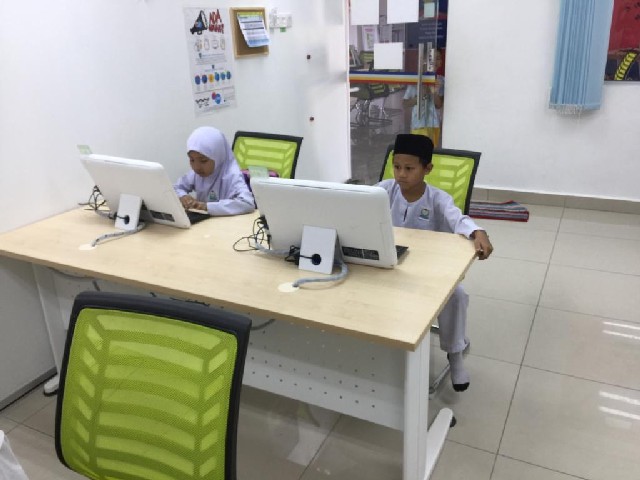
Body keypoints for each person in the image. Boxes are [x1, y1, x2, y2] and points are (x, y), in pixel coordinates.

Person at [376, 134, 493, 392]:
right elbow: (358, 202)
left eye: (409, 168)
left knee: (457, 296)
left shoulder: (438, 199)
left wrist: (478, 232)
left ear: (427, 168)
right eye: (397, 167)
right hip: (390, 263)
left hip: (428, 269)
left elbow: (459, 219)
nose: (401, 174)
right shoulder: (384, 190)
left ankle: (455, 355)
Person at [174, 126, 255, 216]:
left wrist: (207, 207)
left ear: (217, 156)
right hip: (206, 221)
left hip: (229, 222)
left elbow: (248, 203)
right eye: (192, 160)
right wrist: (183, 196)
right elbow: (176, 188)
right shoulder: (196, 174)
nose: (196, 167)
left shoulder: (232, 175)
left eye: (203, 161)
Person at [403, 50, 445, 147]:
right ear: (424, 61)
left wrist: (433, 92)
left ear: (441, 62)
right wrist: (421, 95)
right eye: (431, 58)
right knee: (418, 151)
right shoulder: (416, 80)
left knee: (431, 151)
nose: (434, 61)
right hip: (418, 124)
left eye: (438, 58)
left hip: (434, 124)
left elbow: (439, 105)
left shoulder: (441, 81)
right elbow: (405, 104)